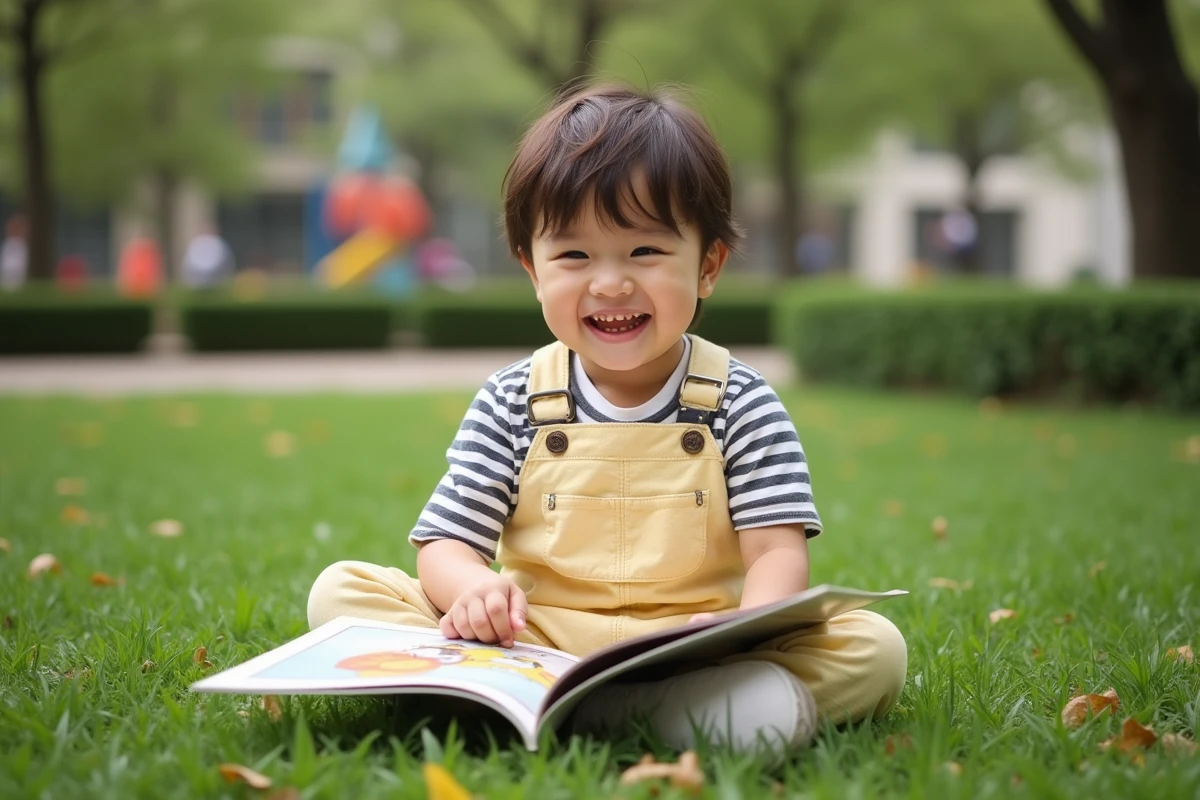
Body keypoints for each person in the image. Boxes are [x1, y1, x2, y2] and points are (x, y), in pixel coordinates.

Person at [307, 84, 906, 755]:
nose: (611, 283)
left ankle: (583, 710)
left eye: (645, 252)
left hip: (690, 647)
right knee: (344, 592)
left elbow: (775, 551)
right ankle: (681, 718)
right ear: (532, 270)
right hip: (534, 639)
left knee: (873, 647)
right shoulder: (513, 398)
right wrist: (476, 591)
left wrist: (750, 622)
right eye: (574, 256)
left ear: (708, 266)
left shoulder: (741, 400)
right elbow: (446, 544)